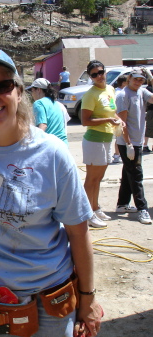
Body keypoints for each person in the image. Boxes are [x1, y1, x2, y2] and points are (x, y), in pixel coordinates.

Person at [0, 47, 103, 337]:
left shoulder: (52, 154)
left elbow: (79, 233)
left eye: (1, 86)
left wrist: (88, 299)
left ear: (18, 91)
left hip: (50, 296)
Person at [80, 60, 122, 228]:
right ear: (90, 77)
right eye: (94, 74)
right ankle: (86, 213)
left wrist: (119, 120)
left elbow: (113, 112)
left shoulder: (110, 89)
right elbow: (85, 121)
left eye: (101, 72)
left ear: (105, 72)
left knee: (99, 178)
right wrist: (108, 119)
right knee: (91, 178)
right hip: (94, 140)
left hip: (107, 138)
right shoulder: (90, 95)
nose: (99, 76)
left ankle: (95, 208)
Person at [115, 67, 153, 225]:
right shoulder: (123, 95)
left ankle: (122, 204)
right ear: (129, 78)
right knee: (137, 175)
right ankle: (142, 208)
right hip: (128, 142)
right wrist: (129, 144)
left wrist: (151, 79)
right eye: (136, 78)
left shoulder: (141, 92)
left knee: (129, 172)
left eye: (141, 80)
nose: (138, 82)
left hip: (136, 141)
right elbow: (122, 122)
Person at [28, 77, 68, 144]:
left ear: (38, 90)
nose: (32, 94)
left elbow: (43, 125)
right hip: (63, 144)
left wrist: (35, 144)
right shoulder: (56, 103)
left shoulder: (39, 103)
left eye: (32, 91)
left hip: (51, 145)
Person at [113, 75, 128, 163]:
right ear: (123, 83)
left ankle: (118, 154)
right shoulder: (119, 93)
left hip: (120, 117)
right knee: (119, 137)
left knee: (120, 137)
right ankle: (117, 155)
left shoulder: (118, 91)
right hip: (119, 117)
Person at [143, 77, 153, 153]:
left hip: (150, 111)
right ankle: (145, 145)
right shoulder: (149, 88)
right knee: (148, 129)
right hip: (151, 111)